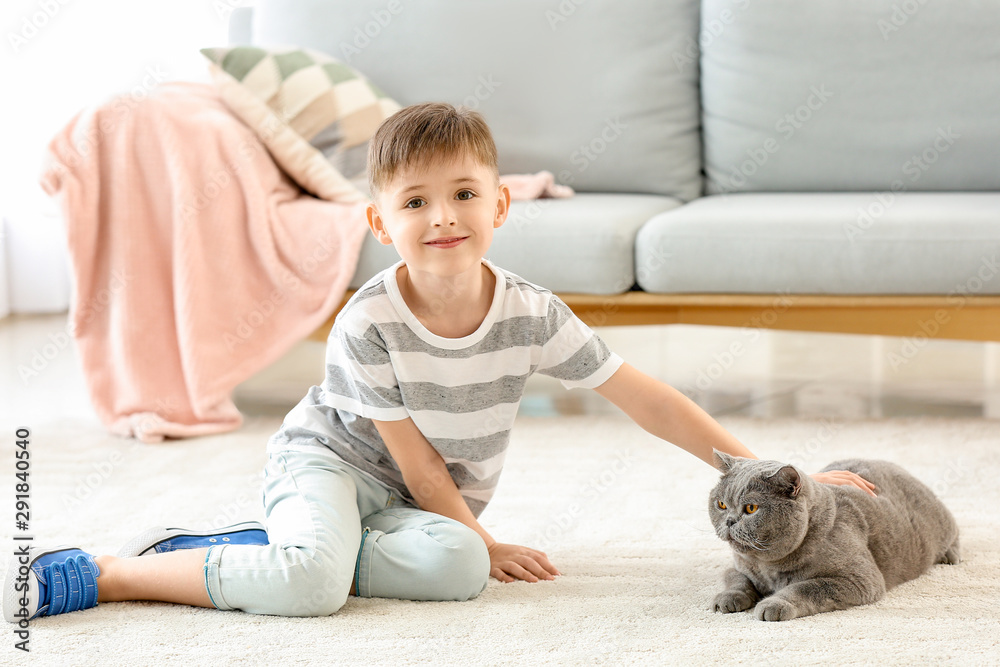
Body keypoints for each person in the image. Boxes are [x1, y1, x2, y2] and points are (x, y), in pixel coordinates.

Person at [3, 103, 876, 622]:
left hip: (414, 499)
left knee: (460, 572)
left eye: (463, 194)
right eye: (415, 201)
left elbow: (643, 395)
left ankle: (277, 549)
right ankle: (117, 570)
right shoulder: (370, 318)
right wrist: (484, 531)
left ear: (500, 203)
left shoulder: (530, 310)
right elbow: (412, 453)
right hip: (333, 465)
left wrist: (754, 468)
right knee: (313, 587)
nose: (444, 215)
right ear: (381, 223)